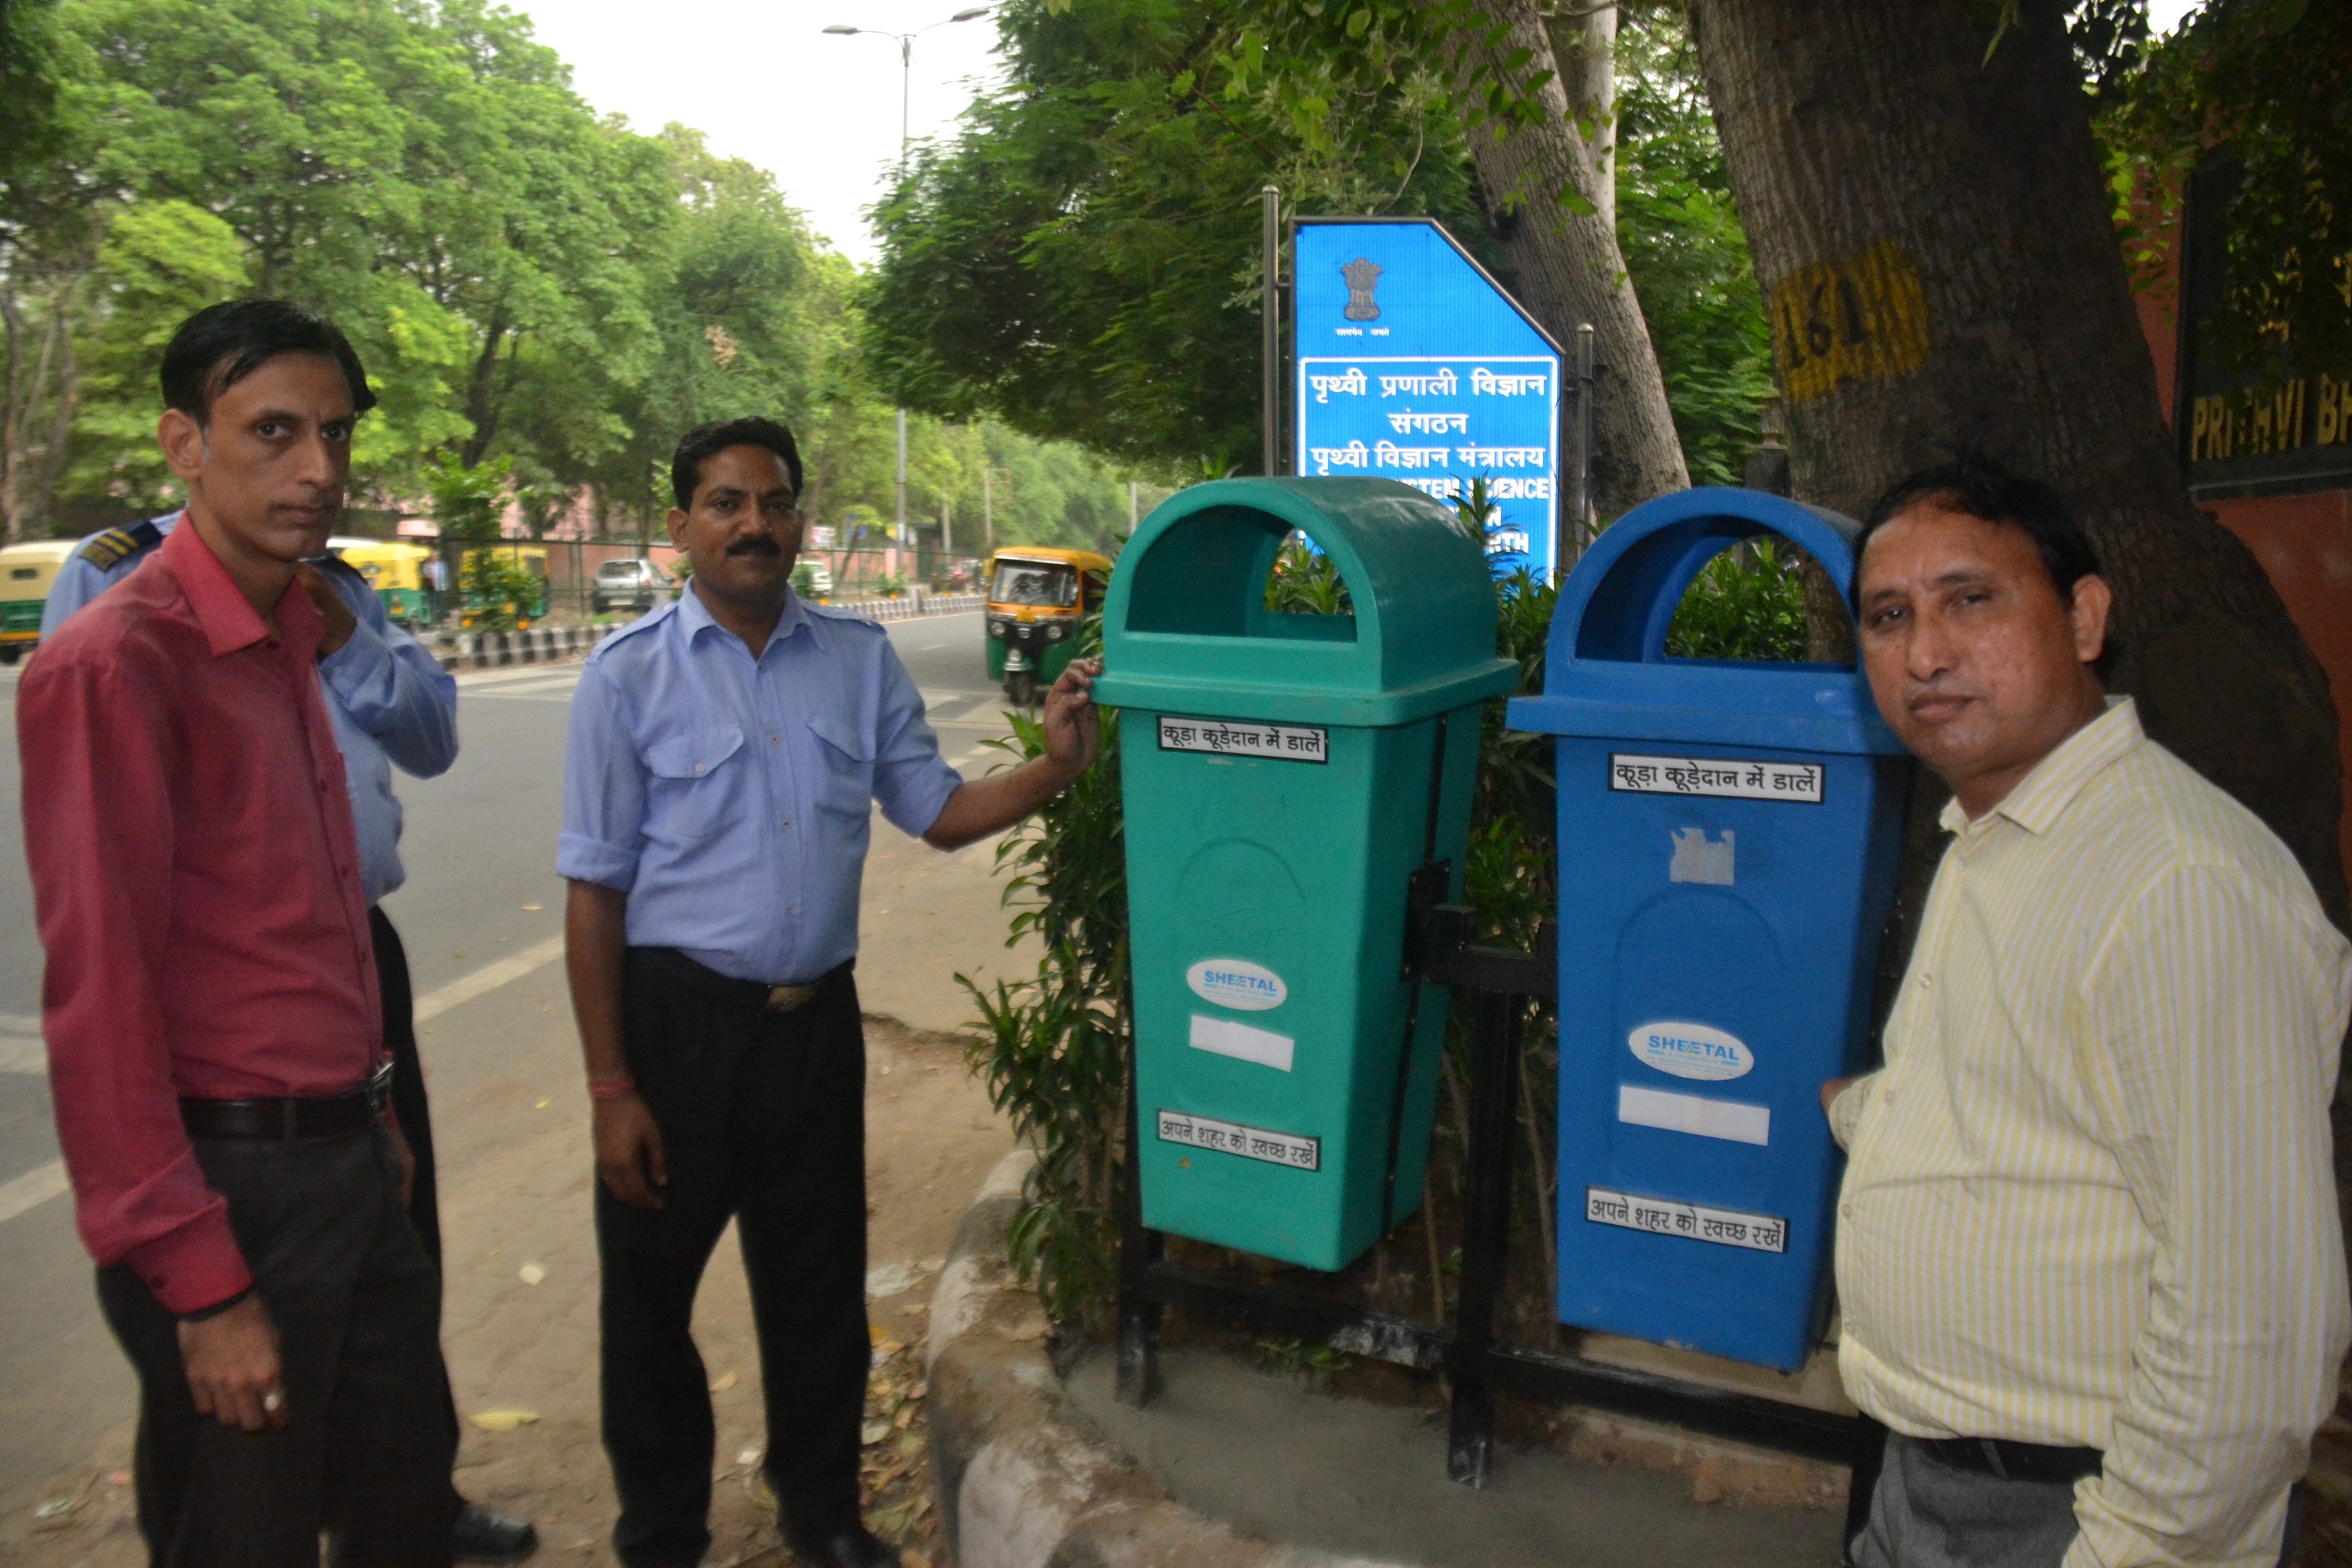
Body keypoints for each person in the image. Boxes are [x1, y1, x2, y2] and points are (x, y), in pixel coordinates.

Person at [559, 417, 1101, 1568]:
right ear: (681, 528)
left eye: (773, 503)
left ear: (799, 521)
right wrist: (613, 1084)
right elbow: (596, 892)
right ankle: (661, 1533)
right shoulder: (628, 678)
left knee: (813, 1295)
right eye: (725, 503)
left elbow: (937, 812)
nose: (754, 524)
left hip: (815, 1031)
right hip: (678, 1031)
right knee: (649, 1305)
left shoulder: (857, 663)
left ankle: (823, 1516)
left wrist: (1055, 767)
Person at [42, 367, 538, 1568]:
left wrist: (374, 1111)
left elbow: (329, 901)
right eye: (272, 432)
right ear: (184, 445)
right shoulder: (119, 654)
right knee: (244, 1522)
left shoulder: (306, 621)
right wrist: (203, 1284)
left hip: (349, 1136)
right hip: (233, 1172)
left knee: (399, 1499)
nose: (317, 468)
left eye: (335, 434)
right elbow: (101, 999)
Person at [1825, 455, 2352, 1568]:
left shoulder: (2175, 884)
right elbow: (2052, 1110)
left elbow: (2251, 1334)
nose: (1925, 653)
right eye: (1888, 616)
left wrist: (2128, 1551)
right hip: (1923, 1494)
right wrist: (1881, 1114)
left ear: (2084, 617)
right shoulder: (1997, 839)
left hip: (2077, 1519)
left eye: (1971, 599)